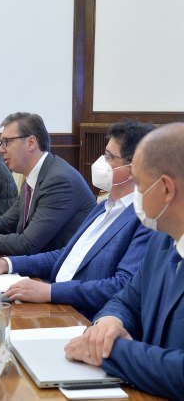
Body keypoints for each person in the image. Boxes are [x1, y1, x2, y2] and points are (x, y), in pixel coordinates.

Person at [0, 121, 154, 320]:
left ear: (134, 168)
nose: (101, 162)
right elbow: (67, 255)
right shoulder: (103, 207)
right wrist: (7, 264)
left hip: (83, 315)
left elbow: (122, 286)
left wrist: (50, 292)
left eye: (109, 157)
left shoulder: (144, 219)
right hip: (55, 302)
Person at [64, 123, 184, 399]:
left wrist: (112, 352)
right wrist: (110, 322)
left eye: (139, 184)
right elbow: (127, 300)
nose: (135, 194)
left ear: (166, 189)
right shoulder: (162, 239)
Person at [0, 112, 95, 256]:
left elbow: (28, 244)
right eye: (1, 143)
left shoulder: (59, 180)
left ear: (31, 143)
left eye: (6, 142)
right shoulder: (33, 175)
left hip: (59, 270)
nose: (0, 150)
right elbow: (7, 222)